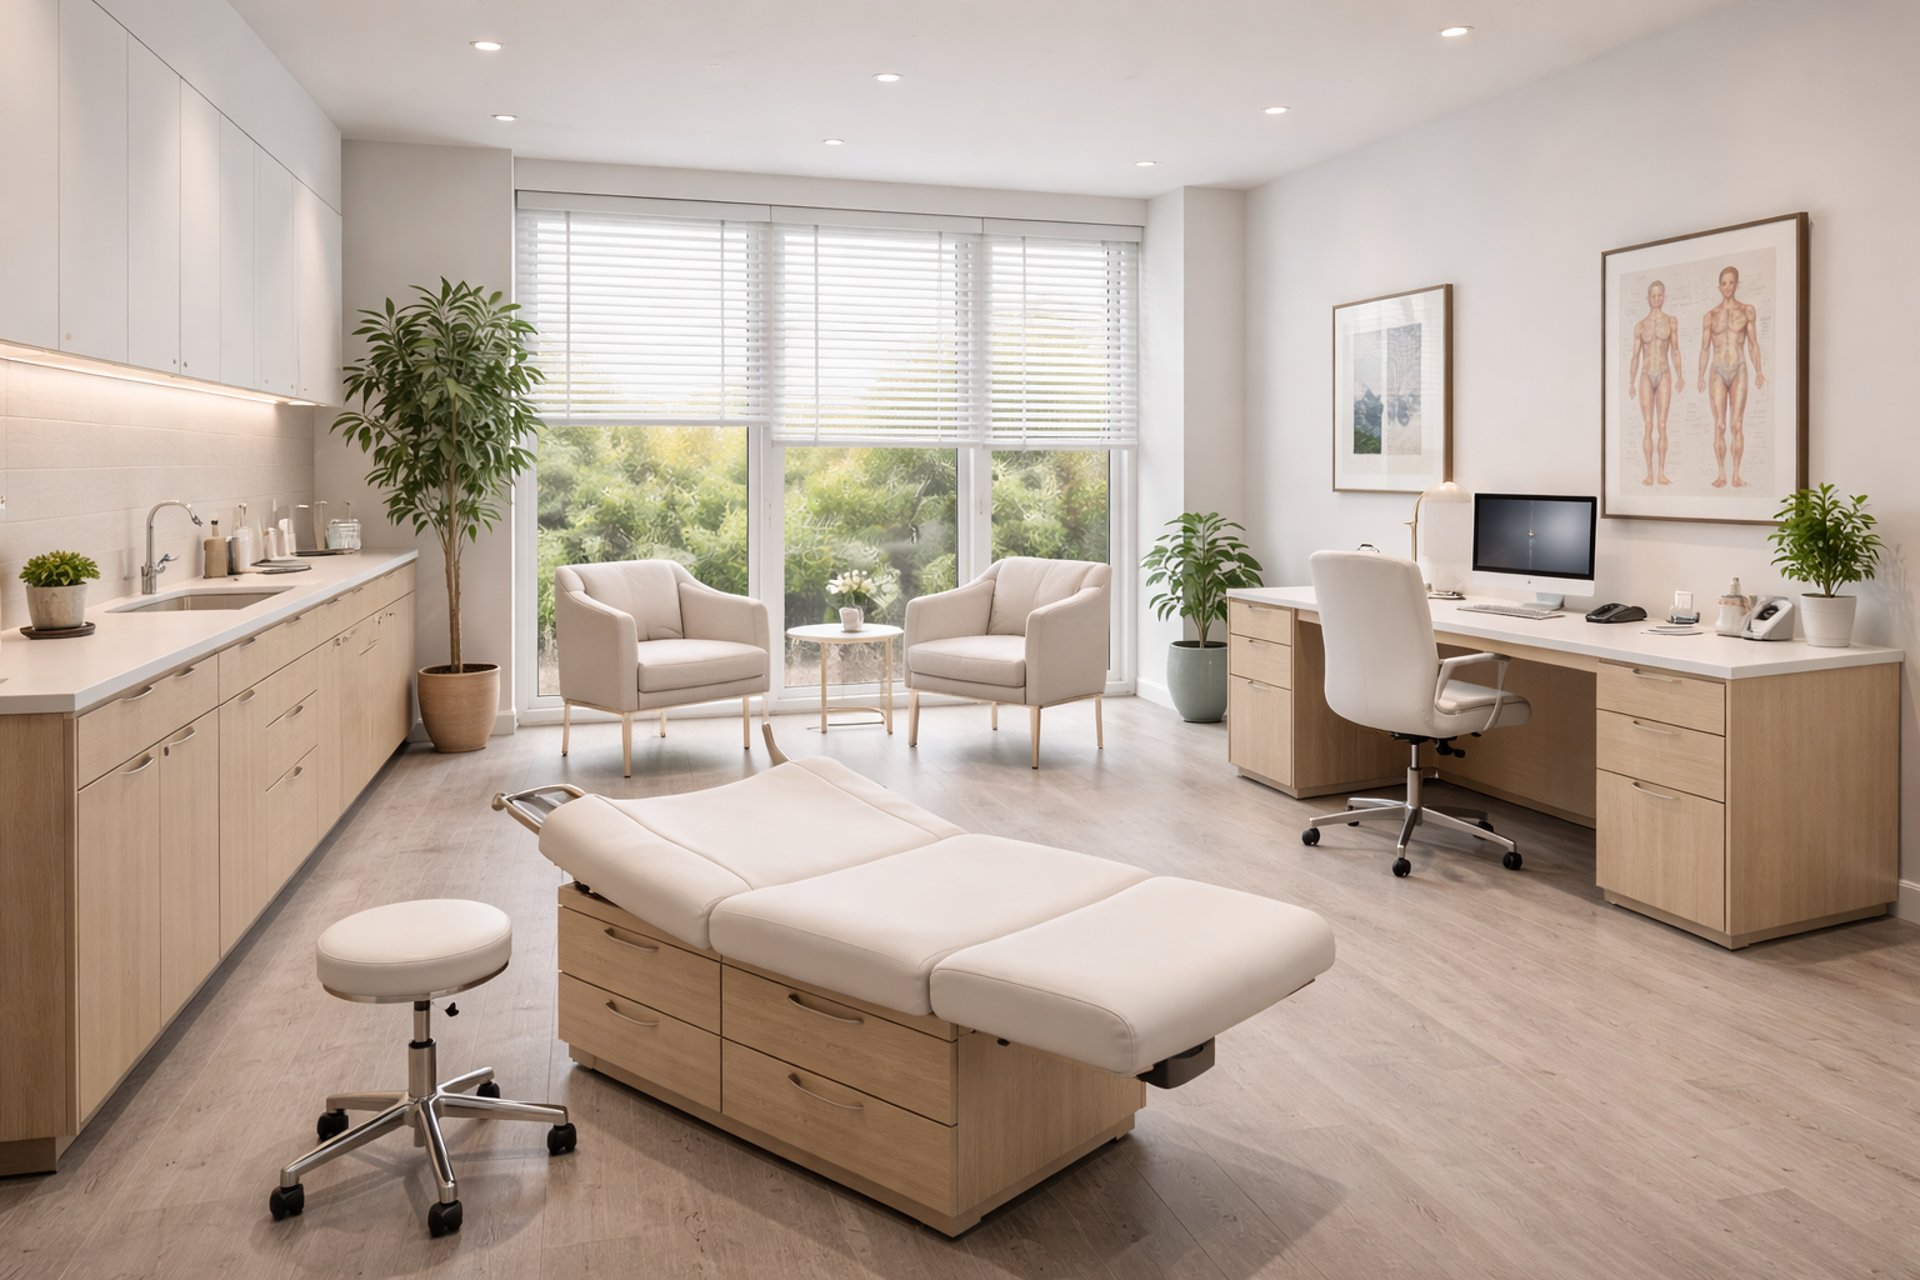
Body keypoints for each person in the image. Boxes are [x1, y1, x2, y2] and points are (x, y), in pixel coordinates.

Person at [1696, 266, 1766, 488]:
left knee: (1737, 424)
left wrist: (1759, 370)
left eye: (1731, 282)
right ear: (1719, 286)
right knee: (1720, 425)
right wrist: (1699, 375)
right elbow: (1704, 349)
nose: (1727, 287)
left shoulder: (1747, 311)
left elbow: (1754, 344)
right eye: (1724, 283)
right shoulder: (1710, 316)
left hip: (1740, 368)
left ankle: (1736, 474)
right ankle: (1721, 473)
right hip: (1716, 371)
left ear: (1737, 284)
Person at [1626, 280, 1682, 485]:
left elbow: (1675, 349)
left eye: (1660, 295)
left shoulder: (1671, 321)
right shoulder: (1640, 325)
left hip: (1665, 372)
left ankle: (1661, 473)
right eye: (1653, 295)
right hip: (1645, 374)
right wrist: (1631, 382)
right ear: (1648, 298)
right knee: (1648, 425)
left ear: (1664, 297)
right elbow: (1635, 356)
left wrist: (1680, 375)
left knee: (1662, 424)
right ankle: (1649, 473)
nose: (1656, 299)